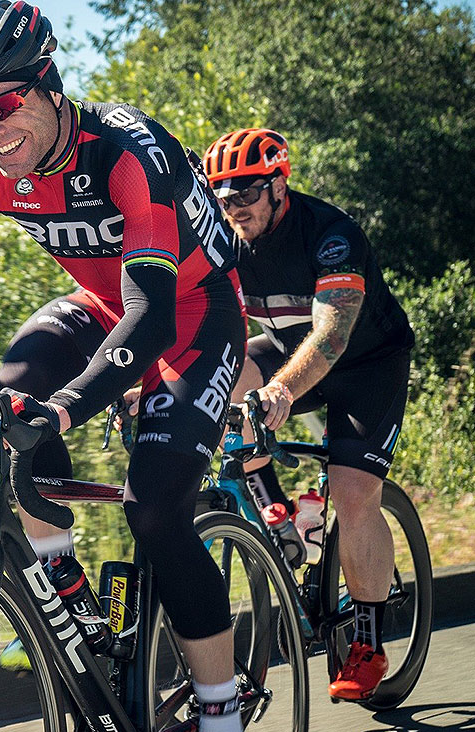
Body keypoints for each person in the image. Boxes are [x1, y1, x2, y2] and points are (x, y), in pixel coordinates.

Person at [0, 2, 246, 728]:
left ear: (50, 86)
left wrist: (63, 409)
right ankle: (63, 582)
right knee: (10, 401)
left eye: (2, 106)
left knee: (154, 509)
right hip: (102, 303)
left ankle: (222, 705)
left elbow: (154, 314)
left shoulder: (129, 151)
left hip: (192, 313)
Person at [204, 128, 415, 702]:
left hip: (367, 362)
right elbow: (195, 322)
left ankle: (368, 643)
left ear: (278, 183)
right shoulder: (222, 238)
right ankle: (275, 509)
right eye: (220, 196)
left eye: (244, 192)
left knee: (352, 493)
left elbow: (332, 332)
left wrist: (279, 392)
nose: (232, 207)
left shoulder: (331, 235)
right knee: (214, 380)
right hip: (284, 349)